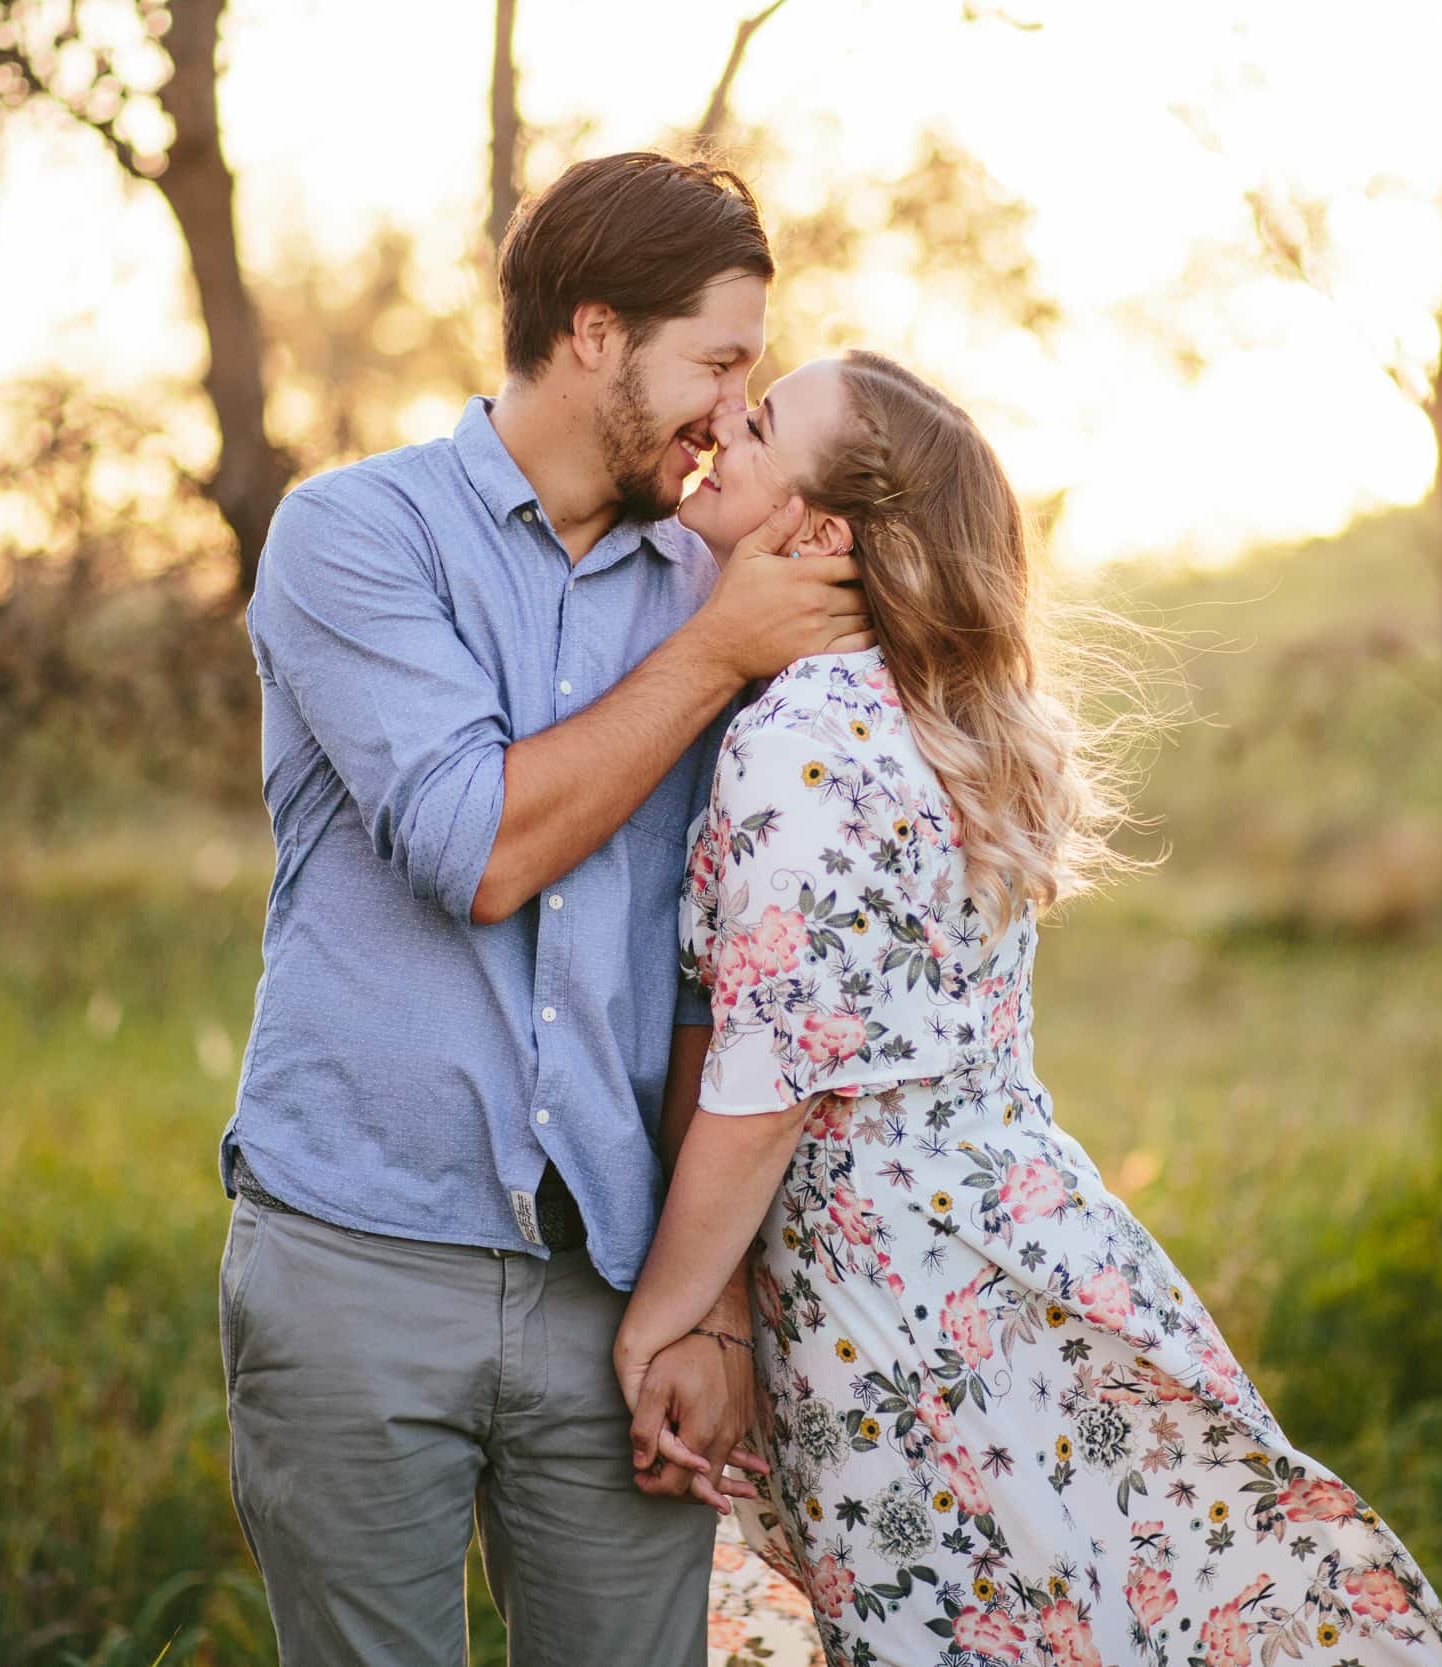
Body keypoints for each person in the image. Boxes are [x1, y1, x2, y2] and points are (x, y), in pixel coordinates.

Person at [618, 351, 1442, 1666]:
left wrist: (657, 1316)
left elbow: (766, 1090)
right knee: (1088, 1610)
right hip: (1023, 1241)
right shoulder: (933, 718)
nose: (722, 430)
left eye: (761, 422)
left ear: (821, 531)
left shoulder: (799, 738)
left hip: (896, 1296)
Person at [217, 152, 868, 1667]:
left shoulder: (712, 578)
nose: (729, 409)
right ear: (593, 334)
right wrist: (715, 661)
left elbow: (733, 978)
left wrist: (705, 1312)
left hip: (617, 1295)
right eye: (715, 362)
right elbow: (476, 844)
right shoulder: (354, 539)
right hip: (355, 1262)